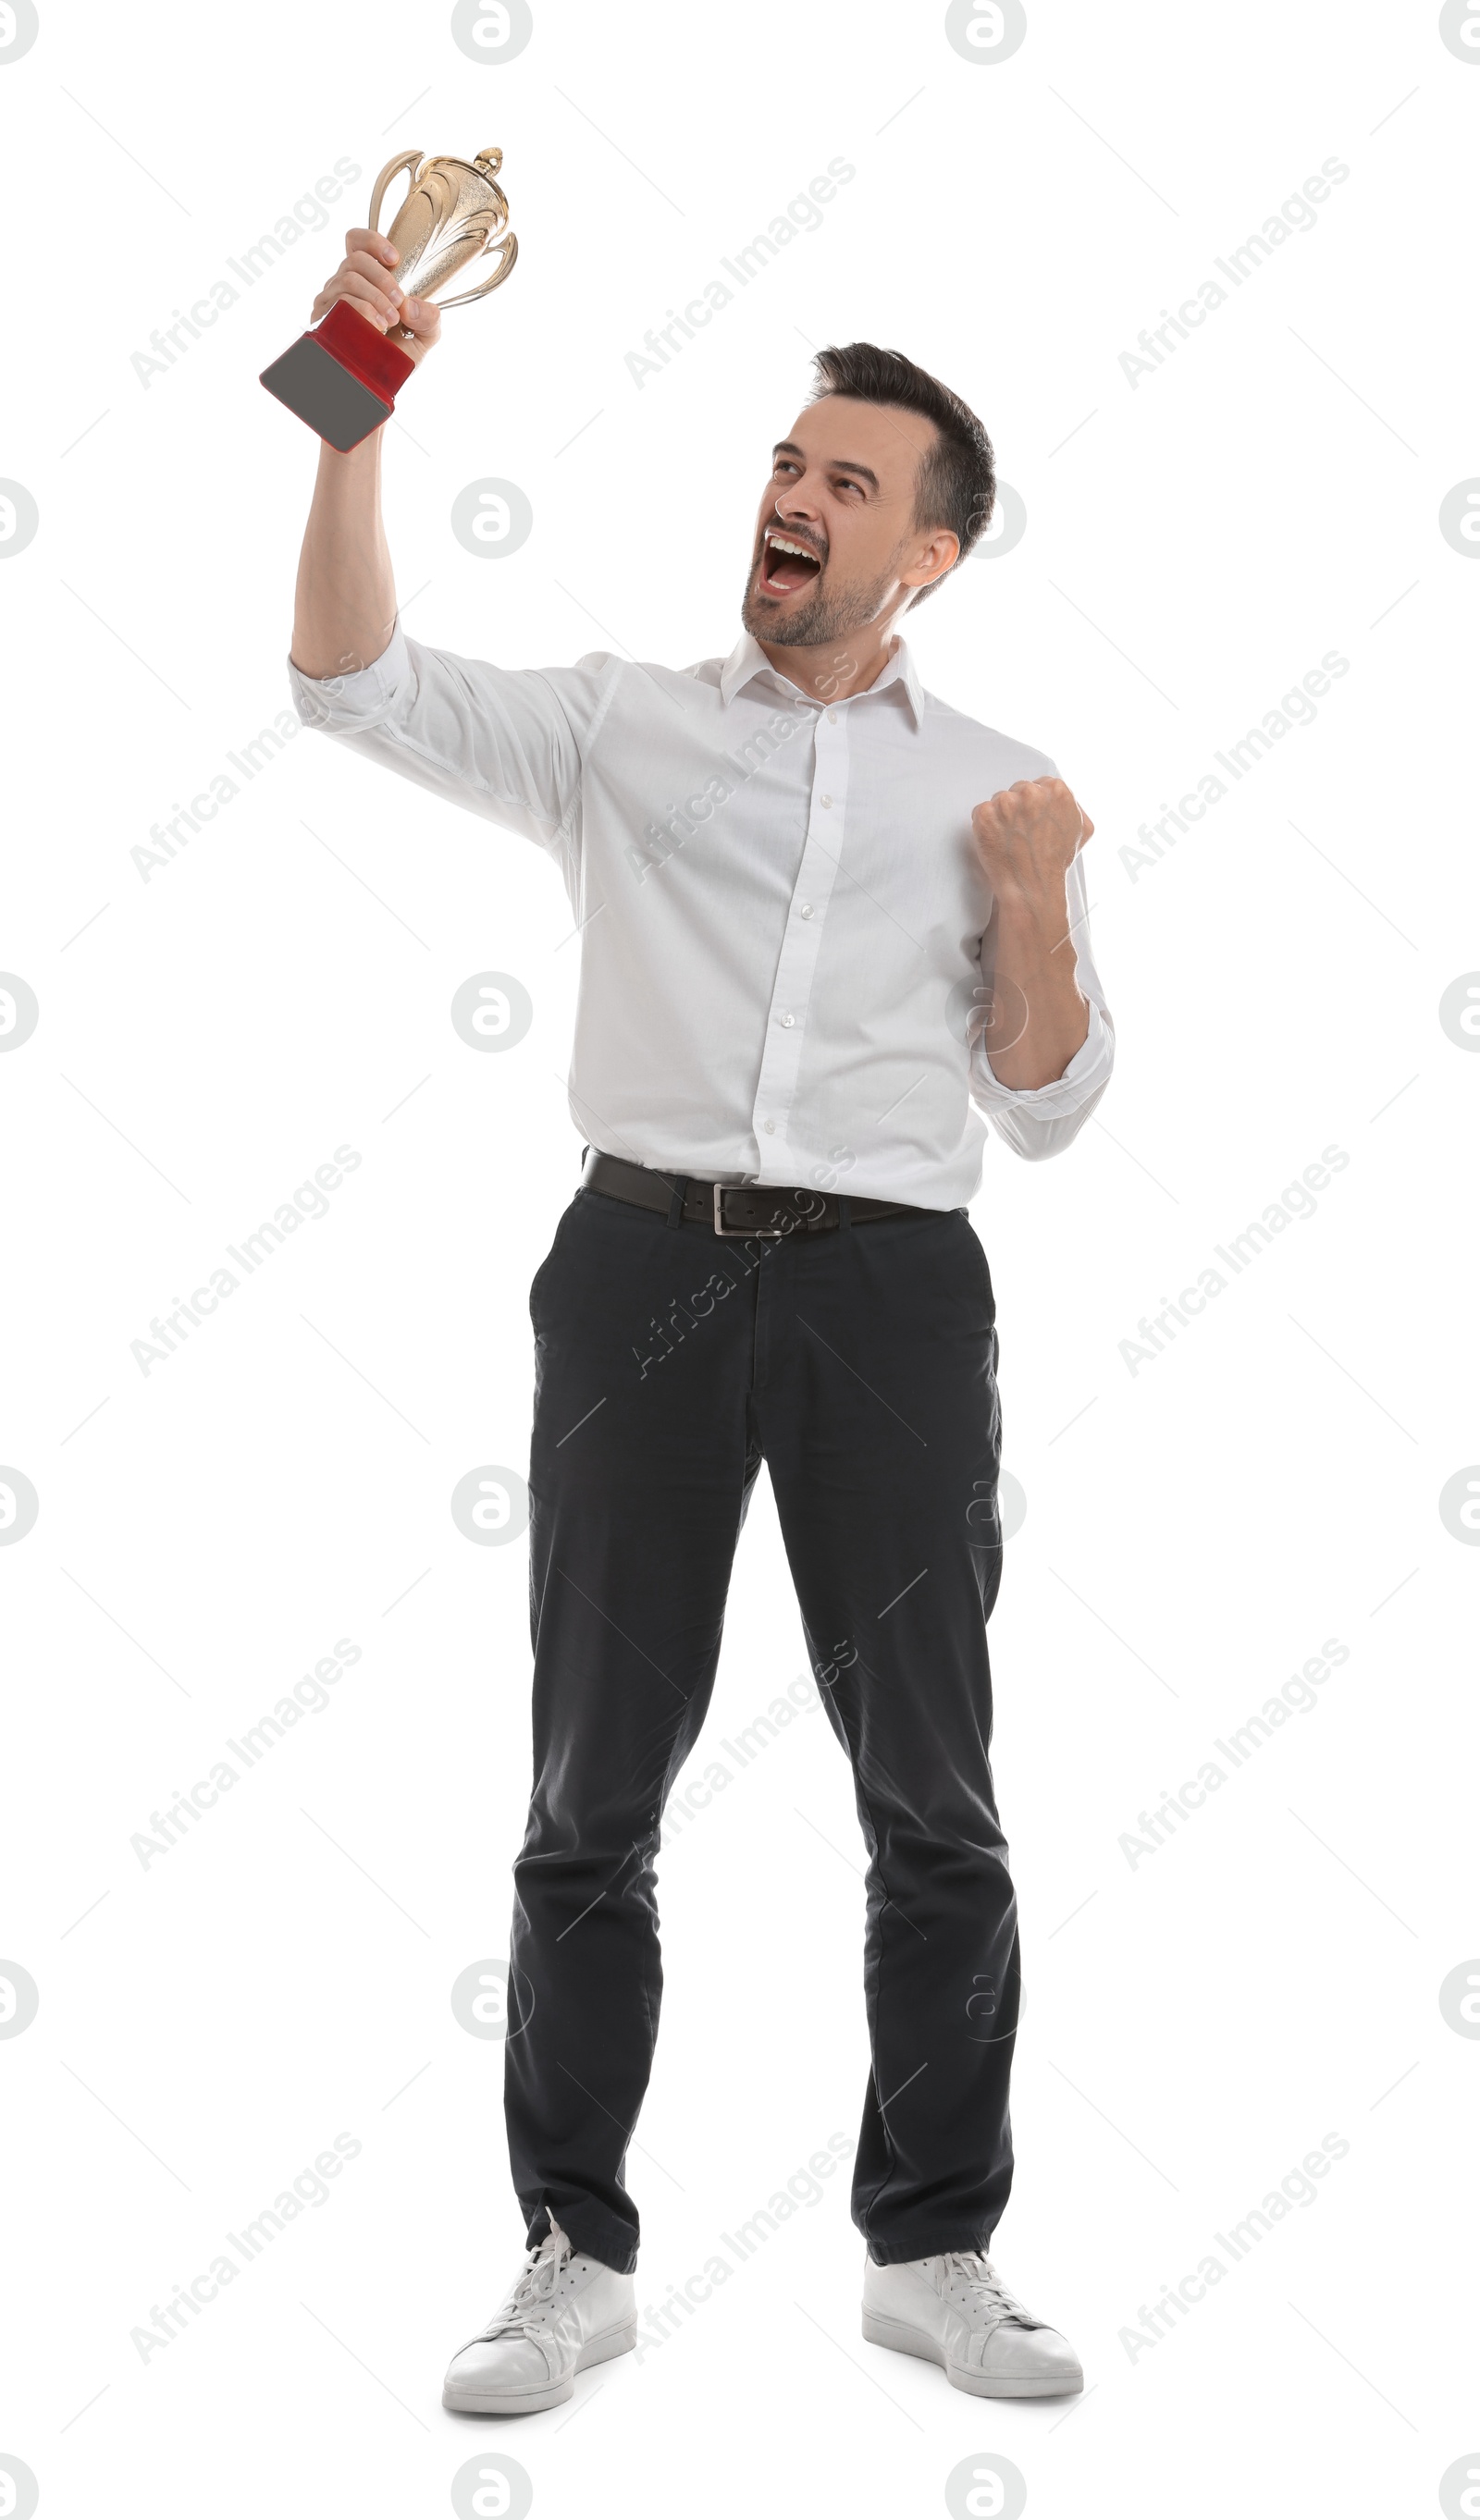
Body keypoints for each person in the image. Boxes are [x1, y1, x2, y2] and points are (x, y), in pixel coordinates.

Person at [288, 223, 1115, 2415]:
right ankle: (572, 2247)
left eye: (848, 482)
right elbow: (348, 680)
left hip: (890, 1297)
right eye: (783, 461)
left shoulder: (989, 783)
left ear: (926, 551)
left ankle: (930, 2246)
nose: (795, 495)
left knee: (932, 1797)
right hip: (640, 1266)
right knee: (590, 1791)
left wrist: (1030, 898)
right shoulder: (622, 730)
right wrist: (351, 402)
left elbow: (1047, 1105)